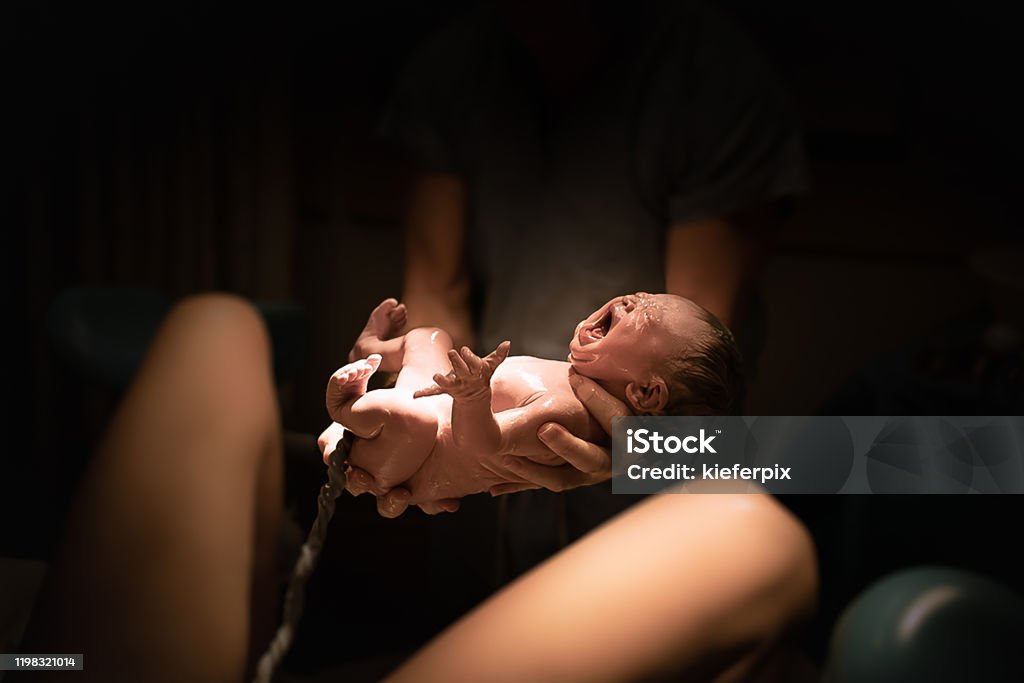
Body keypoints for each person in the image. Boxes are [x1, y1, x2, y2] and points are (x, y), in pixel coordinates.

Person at [15, 294, 818, 683]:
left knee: (752, 526)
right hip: (454, 429)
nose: (622, 305)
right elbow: (437, 320)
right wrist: (420, 383)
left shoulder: (701, 87)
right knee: (218, 321)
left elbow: (696, 390)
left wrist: (655, 451)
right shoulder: (461, 75)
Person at [368, 0, 807, 576]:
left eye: (642, 307)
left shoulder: (706, 72)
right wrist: (417, 395)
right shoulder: (454, 67)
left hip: (661, 483)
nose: (630, 302)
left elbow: (689, 350)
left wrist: (629, 446)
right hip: (490, 485)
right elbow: (434, 294)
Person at [322, 293, 741, 513]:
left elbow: (480, 446)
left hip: (415, 448)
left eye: (650, 316)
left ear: (646, 393)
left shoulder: (568, 415)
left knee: (407, 416)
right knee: (430, 337)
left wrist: (473, 397)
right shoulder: (575, 380)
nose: (633, 300)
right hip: (423, 408)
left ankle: (345, 408)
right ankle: (369, 348)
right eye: (647, 293)